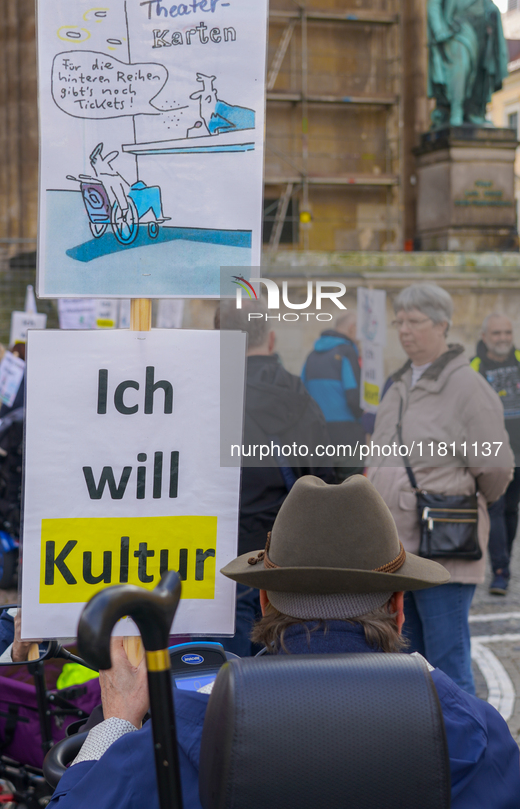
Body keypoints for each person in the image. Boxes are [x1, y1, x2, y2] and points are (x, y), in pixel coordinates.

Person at [48, 476, 520, 809]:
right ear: (398, 605)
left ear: (265, 600)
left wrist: (116, 724)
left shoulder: (188, 728)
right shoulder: (468, 728)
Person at [367, 284, 513, 695]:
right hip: (396, 550)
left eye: (414, 321)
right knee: (406, 661)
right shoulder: (397, 386)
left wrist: (459, 501)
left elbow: (497, 468)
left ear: (442, 325)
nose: (404, 330)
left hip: (446, 545)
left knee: (448, 665)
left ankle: (463, 750)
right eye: (400, 322)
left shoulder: (468, 388)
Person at [216, 298, 334, 655]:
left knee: (227, 679)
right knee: (283, 678)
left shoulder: (206, 392)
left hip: (225, 554)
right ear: (270, 339)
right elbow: (324, 477)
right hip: (285, 553)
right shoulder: (299, 396)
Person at [427, 0, 508, 128]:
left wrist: (493, 12)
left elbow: (487, 5)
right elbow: (433, 3)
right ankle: (456, 111)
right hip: (457, 31)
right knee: (460, 69)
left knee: (477, 73)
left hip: (479, 33)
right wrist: (439, 29)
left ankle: (473, 112)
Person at [471, 314, 520, 595]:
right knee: (495, 509)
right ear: (485, 336)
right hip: (491, 454)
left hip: (519, 451)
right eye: (497, 333)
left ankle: (504, 563)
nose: (503, 338)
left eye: (507, 333)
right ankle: (500, 570)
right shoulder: (473, 368)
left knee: (511, 510)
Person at [301, 311, 365, 450]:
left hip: (317, 435)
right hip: (347, 435)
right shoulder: (347, 352)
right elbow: (353, 395)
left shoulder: (311, 356)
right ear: (352, 328)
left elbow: (302, 395)